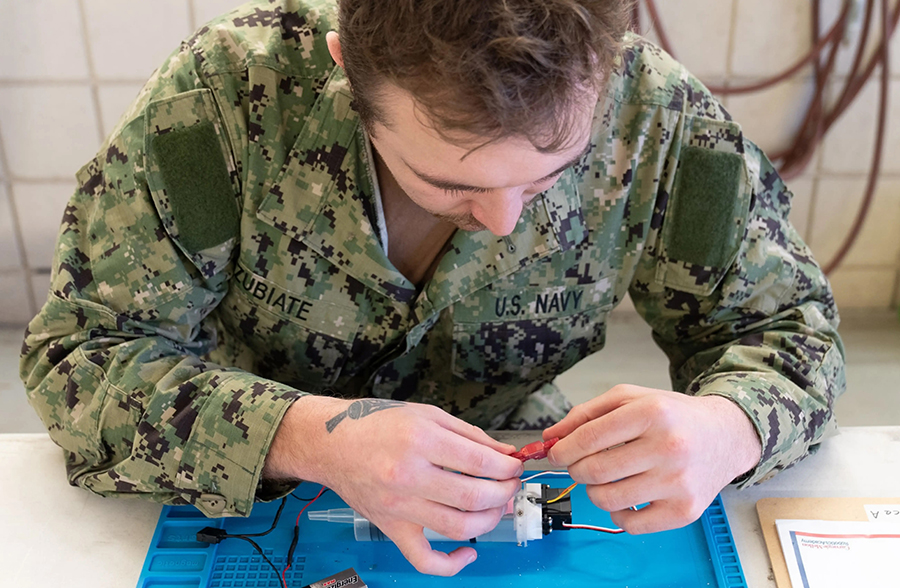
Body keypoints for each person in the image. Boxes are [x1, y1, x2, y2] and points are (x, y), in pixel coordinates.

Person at [20, 0, 845, 577]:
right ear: (348, 70)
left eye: (551, 175)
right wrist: (314, 440)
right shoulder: (225, 103)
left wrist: (730, 426)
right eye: (444, 182)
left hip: (514, 506)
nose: (499, 220)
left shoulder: (658, 118)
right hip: (253, 494)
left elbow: (790, 333)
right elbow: (82, 359)